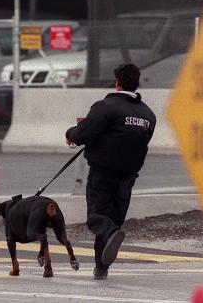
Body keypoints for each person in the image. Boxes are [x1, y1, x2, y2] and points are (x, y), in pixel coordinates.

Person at [65, 63, 156, 280]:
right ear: (136, 83)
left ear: (117, 83)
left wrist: (70, 133)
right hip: (128, 177)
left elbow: (85, 133)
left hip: (103, 173)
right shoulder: (148, 115)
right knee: (112, 221)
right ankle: (101, 268)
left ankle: (108, 244)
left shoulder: (105, 106)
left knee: (97, 217)